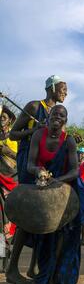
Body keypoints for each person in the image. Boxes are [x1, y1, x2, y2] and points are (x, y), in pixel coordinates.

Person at [6, 75, 68, 284]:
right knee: (28, 213)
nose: (65, 93)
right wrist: (36, 129)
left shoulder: (58, 114)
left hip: (48, 167)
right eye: (62, 88)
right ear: (51, 88)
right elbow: (12, 135)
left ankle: (34, 267)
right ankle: (12, 268)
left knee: (43, 214)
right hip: (29, 164)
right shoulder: (34, 107)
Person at [26, 105, 81, 284]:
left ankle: (51, 280)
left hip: (62, 190)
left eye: (62, 115)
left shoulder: (69, 141)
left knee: (58, 236)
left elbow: (75, 170)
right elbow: (30, 163)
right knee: (41, 234)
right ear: (48, 116)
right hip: (41, 187)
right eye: (55, 113)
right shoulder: (38, 135)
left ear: (65, 120)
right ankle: (41, 276)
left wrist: (58, 180)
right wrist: (39, 172)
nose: (58, 117)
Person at [0, 106, 18, 272]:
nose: (1, 120)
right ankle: (1, 259)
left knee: (11, 219)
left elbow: (19, 156)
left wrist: (4, 150)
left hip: (11, 180)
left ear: (10, 119)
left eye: (4, 117)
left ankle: (9, 258)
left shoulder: (14, 136)